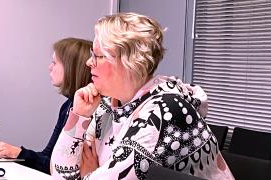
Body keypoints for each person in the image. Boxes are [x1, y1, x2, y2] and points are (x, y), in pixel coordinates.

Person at [50, 13, 235, 179]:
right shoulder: (108, 104)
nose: (89, 62)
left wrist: (88, 173)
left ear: (129, 63)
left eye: (98, 56)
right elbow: (58, 173)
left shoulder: (164, 113)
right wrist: (79, 115)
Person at [0, 37, 92, 174]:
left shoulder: (90, 112)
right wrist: (4, 149)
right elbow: (49, 157)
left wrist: (17, 152)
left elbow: (59, 168)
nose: (49, 67)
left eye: (54, 62)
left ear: (72, 68)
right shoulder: (67, 106)